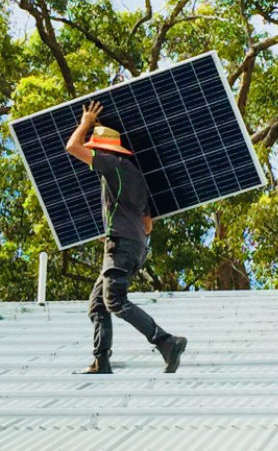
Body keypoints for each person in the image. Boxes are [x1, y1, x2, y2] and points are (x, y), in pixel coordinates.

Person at [65, 100, 187, 374]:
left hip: (121, 246)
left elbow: (72, 147)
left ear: (102, 150)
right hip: (132, 245)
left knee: (114, 301)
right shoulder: (135, 175)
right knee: (98, 303)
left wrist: (85, 123)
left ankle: (166, 341)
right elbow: (147, 224)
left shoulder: (112, 164)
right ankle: (101, 360)